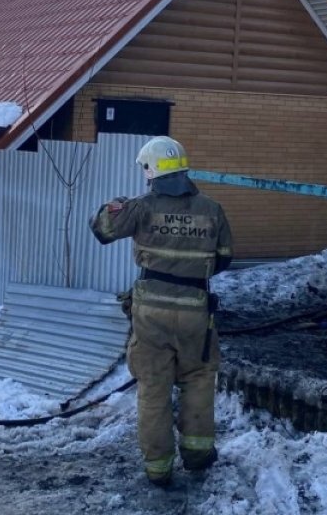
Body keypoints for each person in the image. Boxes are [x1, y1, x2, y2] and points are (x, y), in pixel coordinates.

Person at [89, 136, 233, 487]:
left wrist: (114, 206)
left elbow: (102, 231)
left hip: (150, 312)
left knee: (154, 388)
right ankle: (198, 453)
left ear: (152, 169)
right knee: (198, 379)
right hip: (195, 310)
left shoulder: (140, 207)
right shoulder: (212, 209)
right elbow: (224, 257)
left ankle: (158, 468)